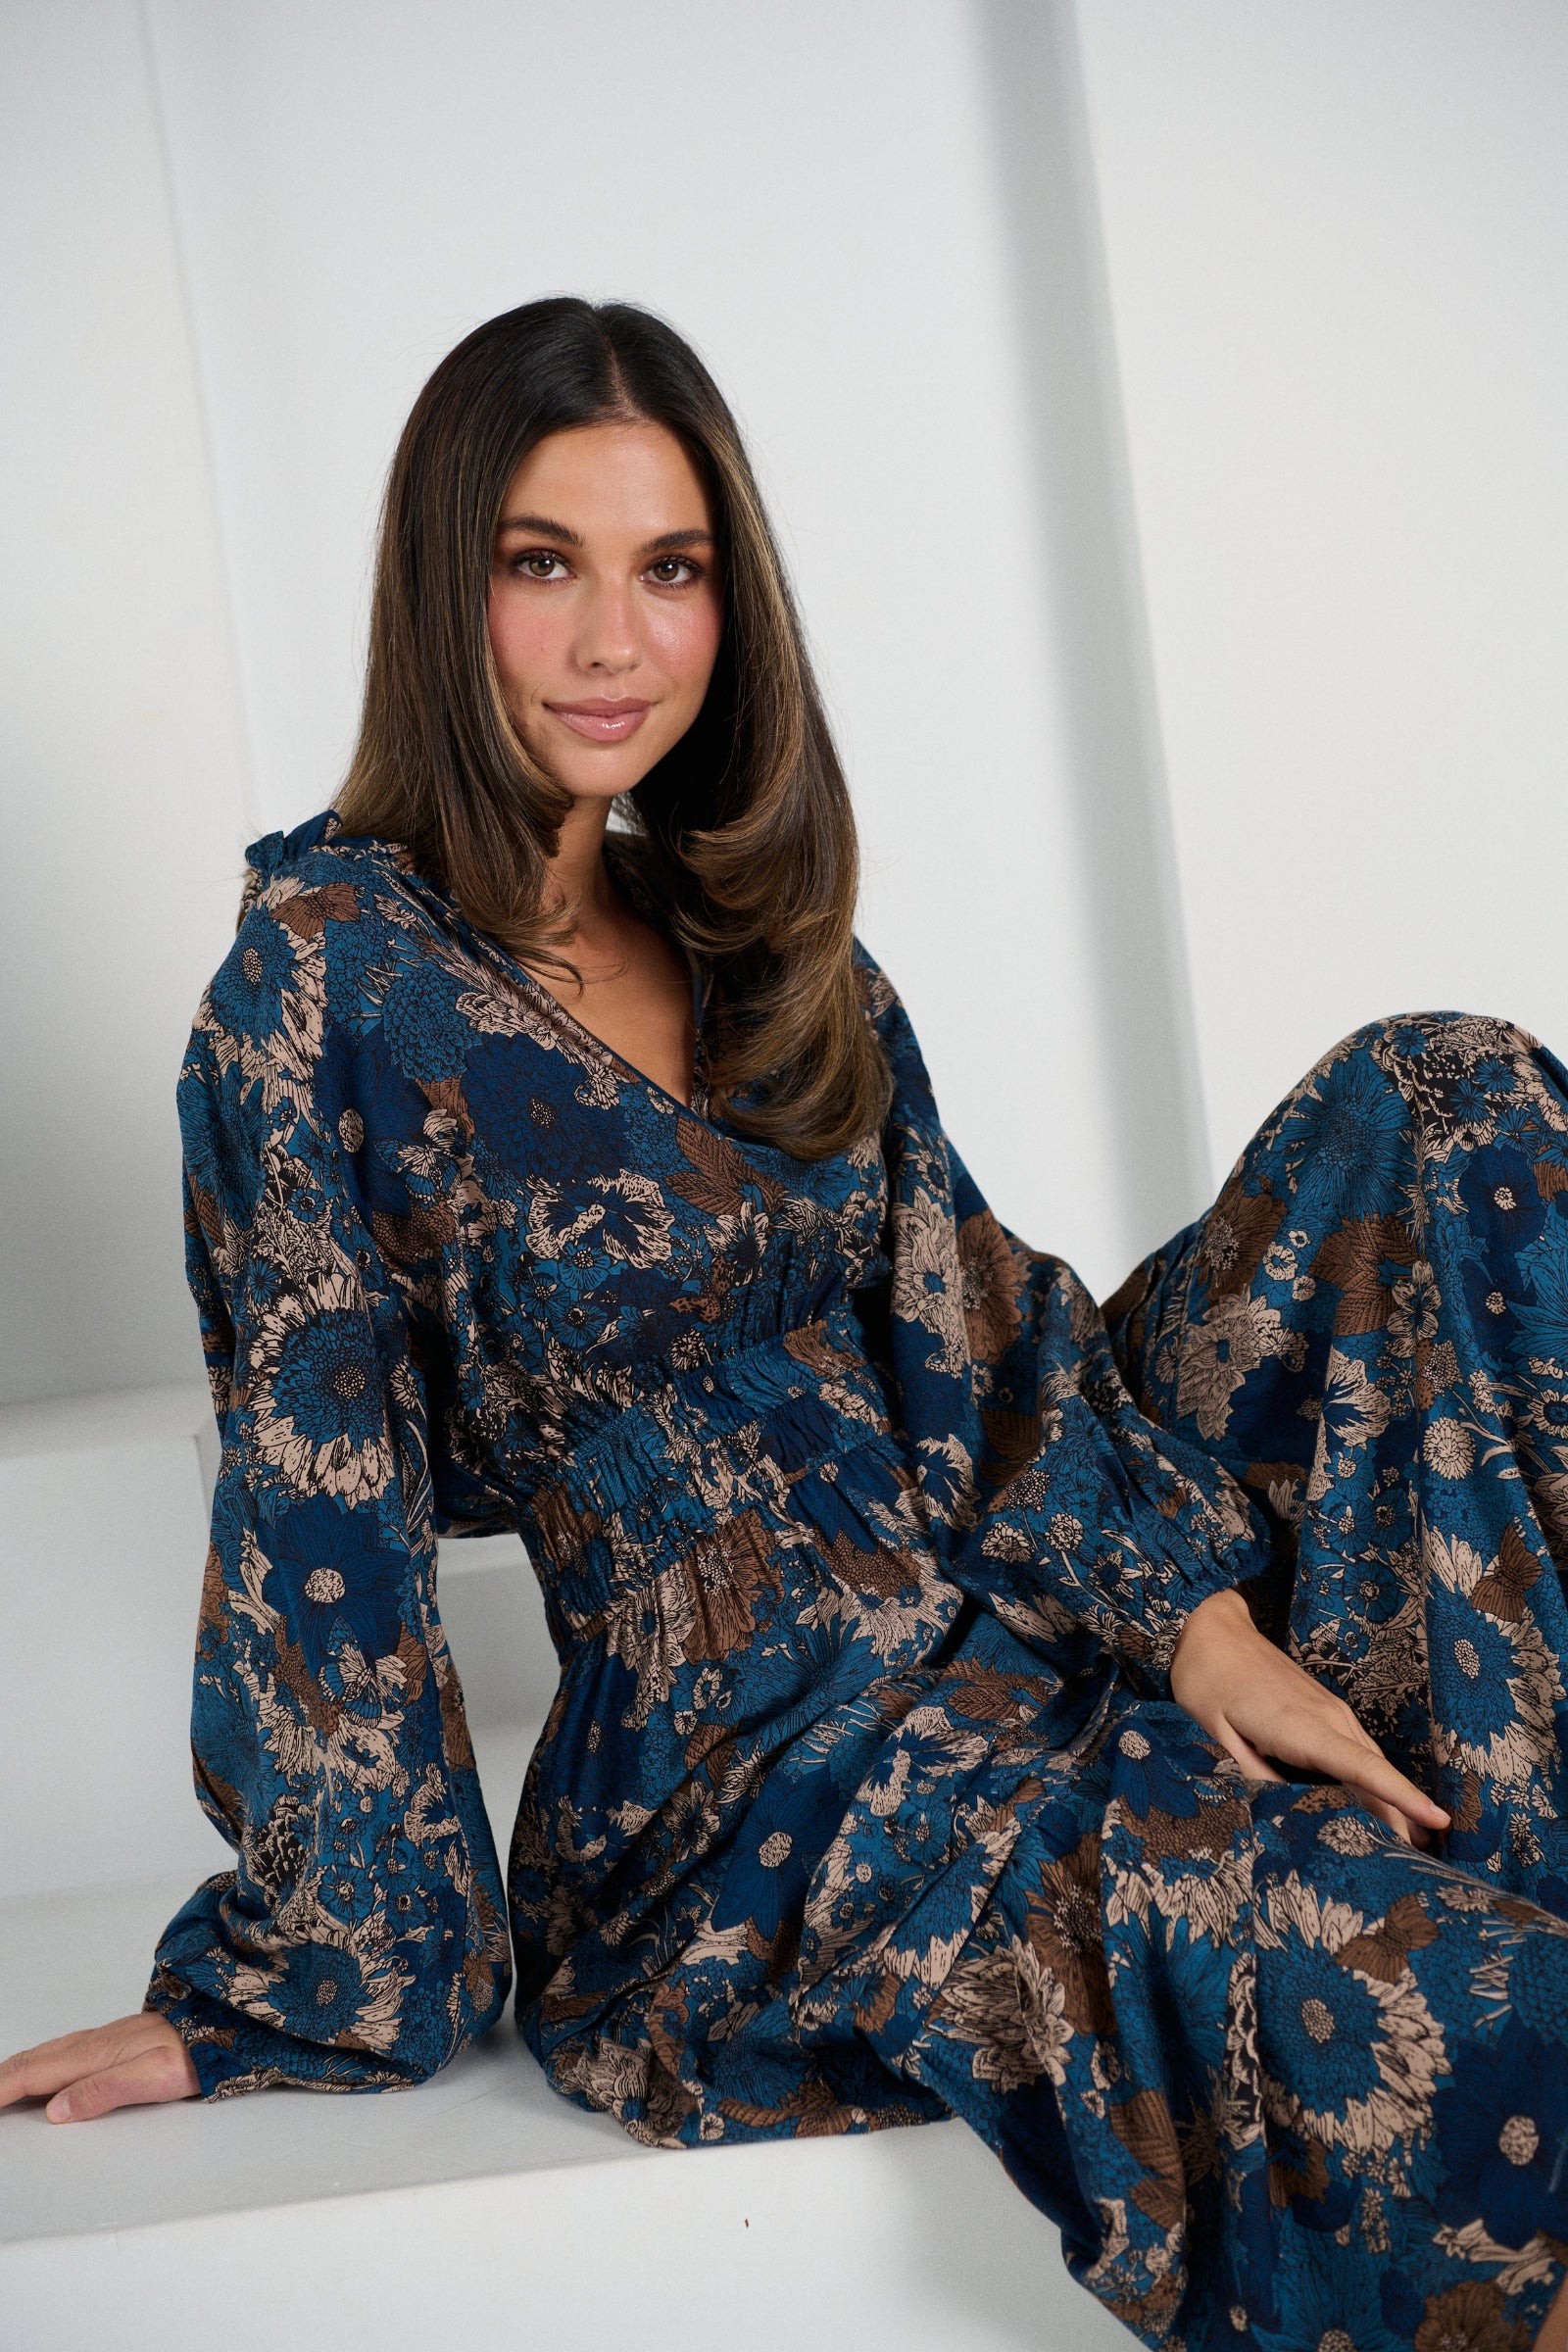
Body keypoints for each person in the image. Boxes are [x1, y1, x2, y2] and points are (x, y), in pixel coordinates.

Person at [5, 295, 1568, 2351]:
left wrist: (1194, 1625)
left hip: (1001, 1577)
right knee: (1432, 2001)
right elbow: (322, 1521)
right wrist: (292, 1986)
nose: (608, 644)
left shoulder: (763, 939)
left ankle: (1492, 1809)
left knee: (1437, 1093)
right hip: (753, 1761)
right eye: (539, 564)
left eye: (670, 573)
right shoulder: (316, 992)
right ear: (440, 588)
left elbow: (979, 1332)